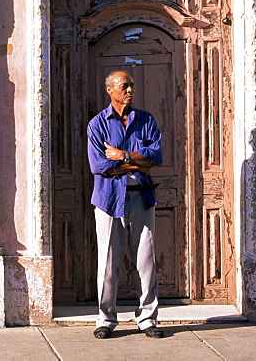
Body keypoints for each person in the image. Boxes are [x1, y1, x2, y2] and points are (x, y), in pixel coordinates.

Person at [86, 69, 164, 339]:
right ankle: (105, 319)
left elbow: (156, 158)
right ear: (110, 90)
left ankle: (147, 318)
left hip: (141, 197)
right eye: (124, 86)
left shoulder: (146, 120)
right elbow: (99, 166)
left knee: (146, 261)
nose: (129, 90)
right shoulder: (98, 124)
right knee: (107, 263)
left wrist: (123, 155)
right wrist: (135, 162)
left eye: (131, 86)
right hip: (108, 200)